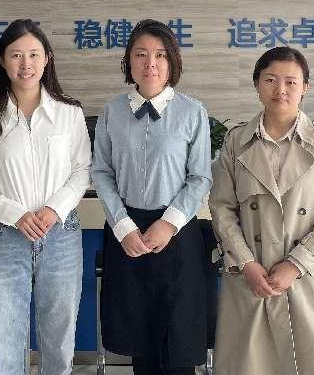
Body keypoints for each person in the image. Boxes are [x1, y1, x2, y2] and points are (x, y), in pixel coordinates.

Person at [209, 46, 314, 375]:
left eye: (291, 82)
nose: (281, 90)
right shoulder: (236, 141)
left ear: (305, 87)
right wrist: (247, 263)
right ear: (257, 84)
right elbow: (222, 208)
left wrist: (295, 264)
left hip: (308, 276)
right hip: (252, 278)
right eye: (270, 80)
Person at [0, 19, 91, 375]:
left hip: (60, 235)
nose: (26, 63)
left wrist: (54, 209)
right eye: (16, 55)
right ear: (2, 61)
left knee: (59, 337)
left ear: (47, 59)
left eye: (34, 54)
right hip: (4, 237)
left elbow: (83, 169)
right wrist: (14, 213)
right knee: (5, 338)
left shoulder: (69, 113)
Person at [91, 19, 212, 375]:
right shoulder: (112, 111)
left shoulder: (192, 111)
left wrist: (168, 224)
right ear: (128, 61)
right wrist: (123, 226)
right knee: (140, 344)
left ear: (172, 61)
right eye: (141, 54)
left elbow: (200, 177)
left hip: (177, 234)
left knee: (178, 347)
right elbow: (101, 173)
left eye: (160, 55)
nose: (150, 63)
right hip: (127, 234)